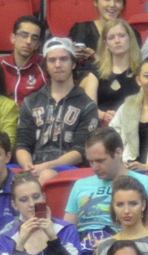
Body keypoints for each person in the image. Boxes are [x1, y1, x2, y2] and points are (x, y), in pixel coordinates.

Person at [16, 37, 97, 179]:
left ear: (73, 64)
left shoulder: (87, 105)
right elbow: (22, 144)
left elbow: (80, 152)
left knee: (46, 175)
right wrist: (28, 166)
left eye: (64, 59)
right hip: (34, 167)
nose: (58, 65)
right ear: (46, 66)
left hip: (70, 169)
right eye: (52, 60)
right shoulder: (31, 102)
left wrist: (47, 166)